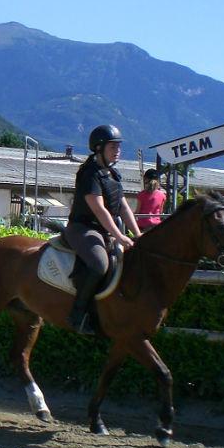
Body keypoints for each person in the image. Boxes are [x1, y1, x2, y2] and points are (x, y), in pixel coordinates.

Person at [64, 124, 142, 335]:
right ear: (99, 149)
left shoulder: (113, 174)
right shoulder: (90, 174)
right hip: (83, 229)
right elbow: (99, 210)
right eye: (112, 147)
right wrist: (119, 235)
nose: (117, 150)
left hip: (105, 230)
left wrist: (138, 235)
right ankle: (78, 314)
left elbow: (123, 207)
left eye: (118, 146)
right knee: (99, 264)